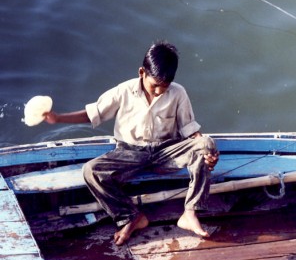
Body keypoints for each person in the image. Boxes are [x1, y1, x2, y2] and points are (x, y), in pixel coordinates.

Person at [44, 41, 219, 246]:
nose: (159, 92)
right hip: (129, 153)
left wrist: (207, 155)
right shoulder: (123, 91)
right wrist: (58, 118)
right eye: (155, 86)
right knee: (91, 171)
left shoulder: (178, 93)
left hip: (165, 153)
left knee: (206, 143)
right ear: (142, 72)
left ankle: (190, 213)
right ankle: (130, 217)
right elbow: (93, 114)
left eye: (165, 87)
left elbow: (191, 131)